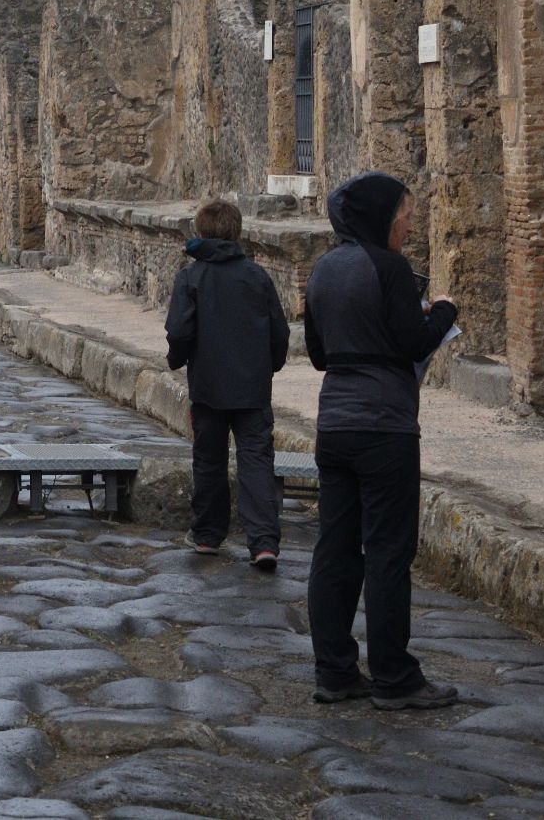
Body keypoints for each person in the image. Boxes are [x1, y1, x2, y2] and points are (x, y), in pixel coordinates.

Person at [304, 171, 459, 710]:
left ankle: (334, 671)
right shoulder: (387, 267)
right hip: (385, 425)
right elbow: (411, 339)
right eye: (406, 217)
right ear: (381, 219)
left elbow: (320, 354)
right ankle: (394, 675)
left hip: (335, 423)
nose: (409, 228)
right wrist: (443, 312)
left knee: (335, 548)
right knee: (389, 551)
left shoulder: (323, 268)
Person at [166, 199, 289, 571]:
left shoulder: (191, 277)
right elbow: (278, 331)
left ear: (201, 233)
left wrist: (177, 359)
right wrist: (270, 366)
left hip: (208, 386)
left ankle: (208, 534)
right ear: (237, 233)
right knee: (256, 461)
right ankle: (263, 542)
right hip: (252, 388)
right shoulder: (257, 276)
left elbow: (179, 330)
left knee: (209, 459)